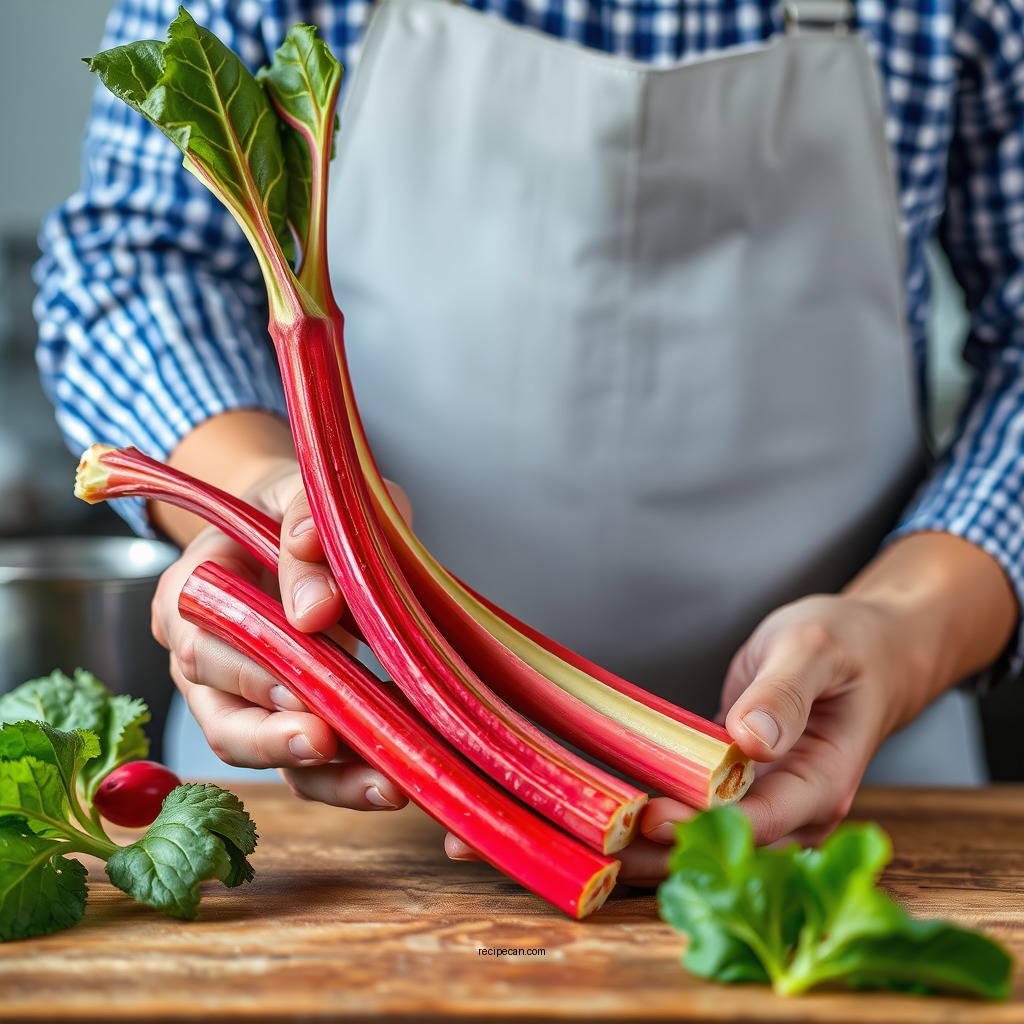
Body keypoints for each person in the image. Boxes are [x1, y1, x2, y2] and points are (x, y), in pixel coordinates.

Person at [34, 0, 1023, 885]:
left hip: (865, 786)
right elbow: (137, 258)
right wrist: (262, 501)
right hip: (342, 796)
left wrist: (905, 631)